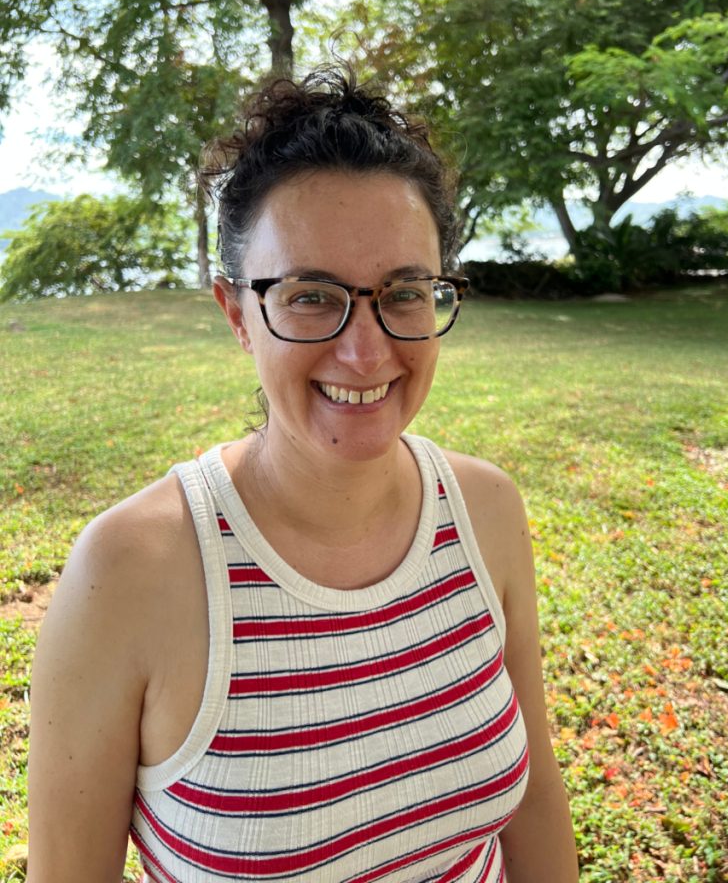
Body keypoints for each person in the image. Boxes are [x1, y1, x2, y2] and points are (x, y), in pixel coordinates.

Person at [27, 67, 578, 883]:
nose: (366, 351)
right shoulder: (127, 576)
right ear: (237, 314)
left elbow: (533, 803)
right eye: (311, 296)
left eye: (405, 292)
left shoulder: (485, 509)